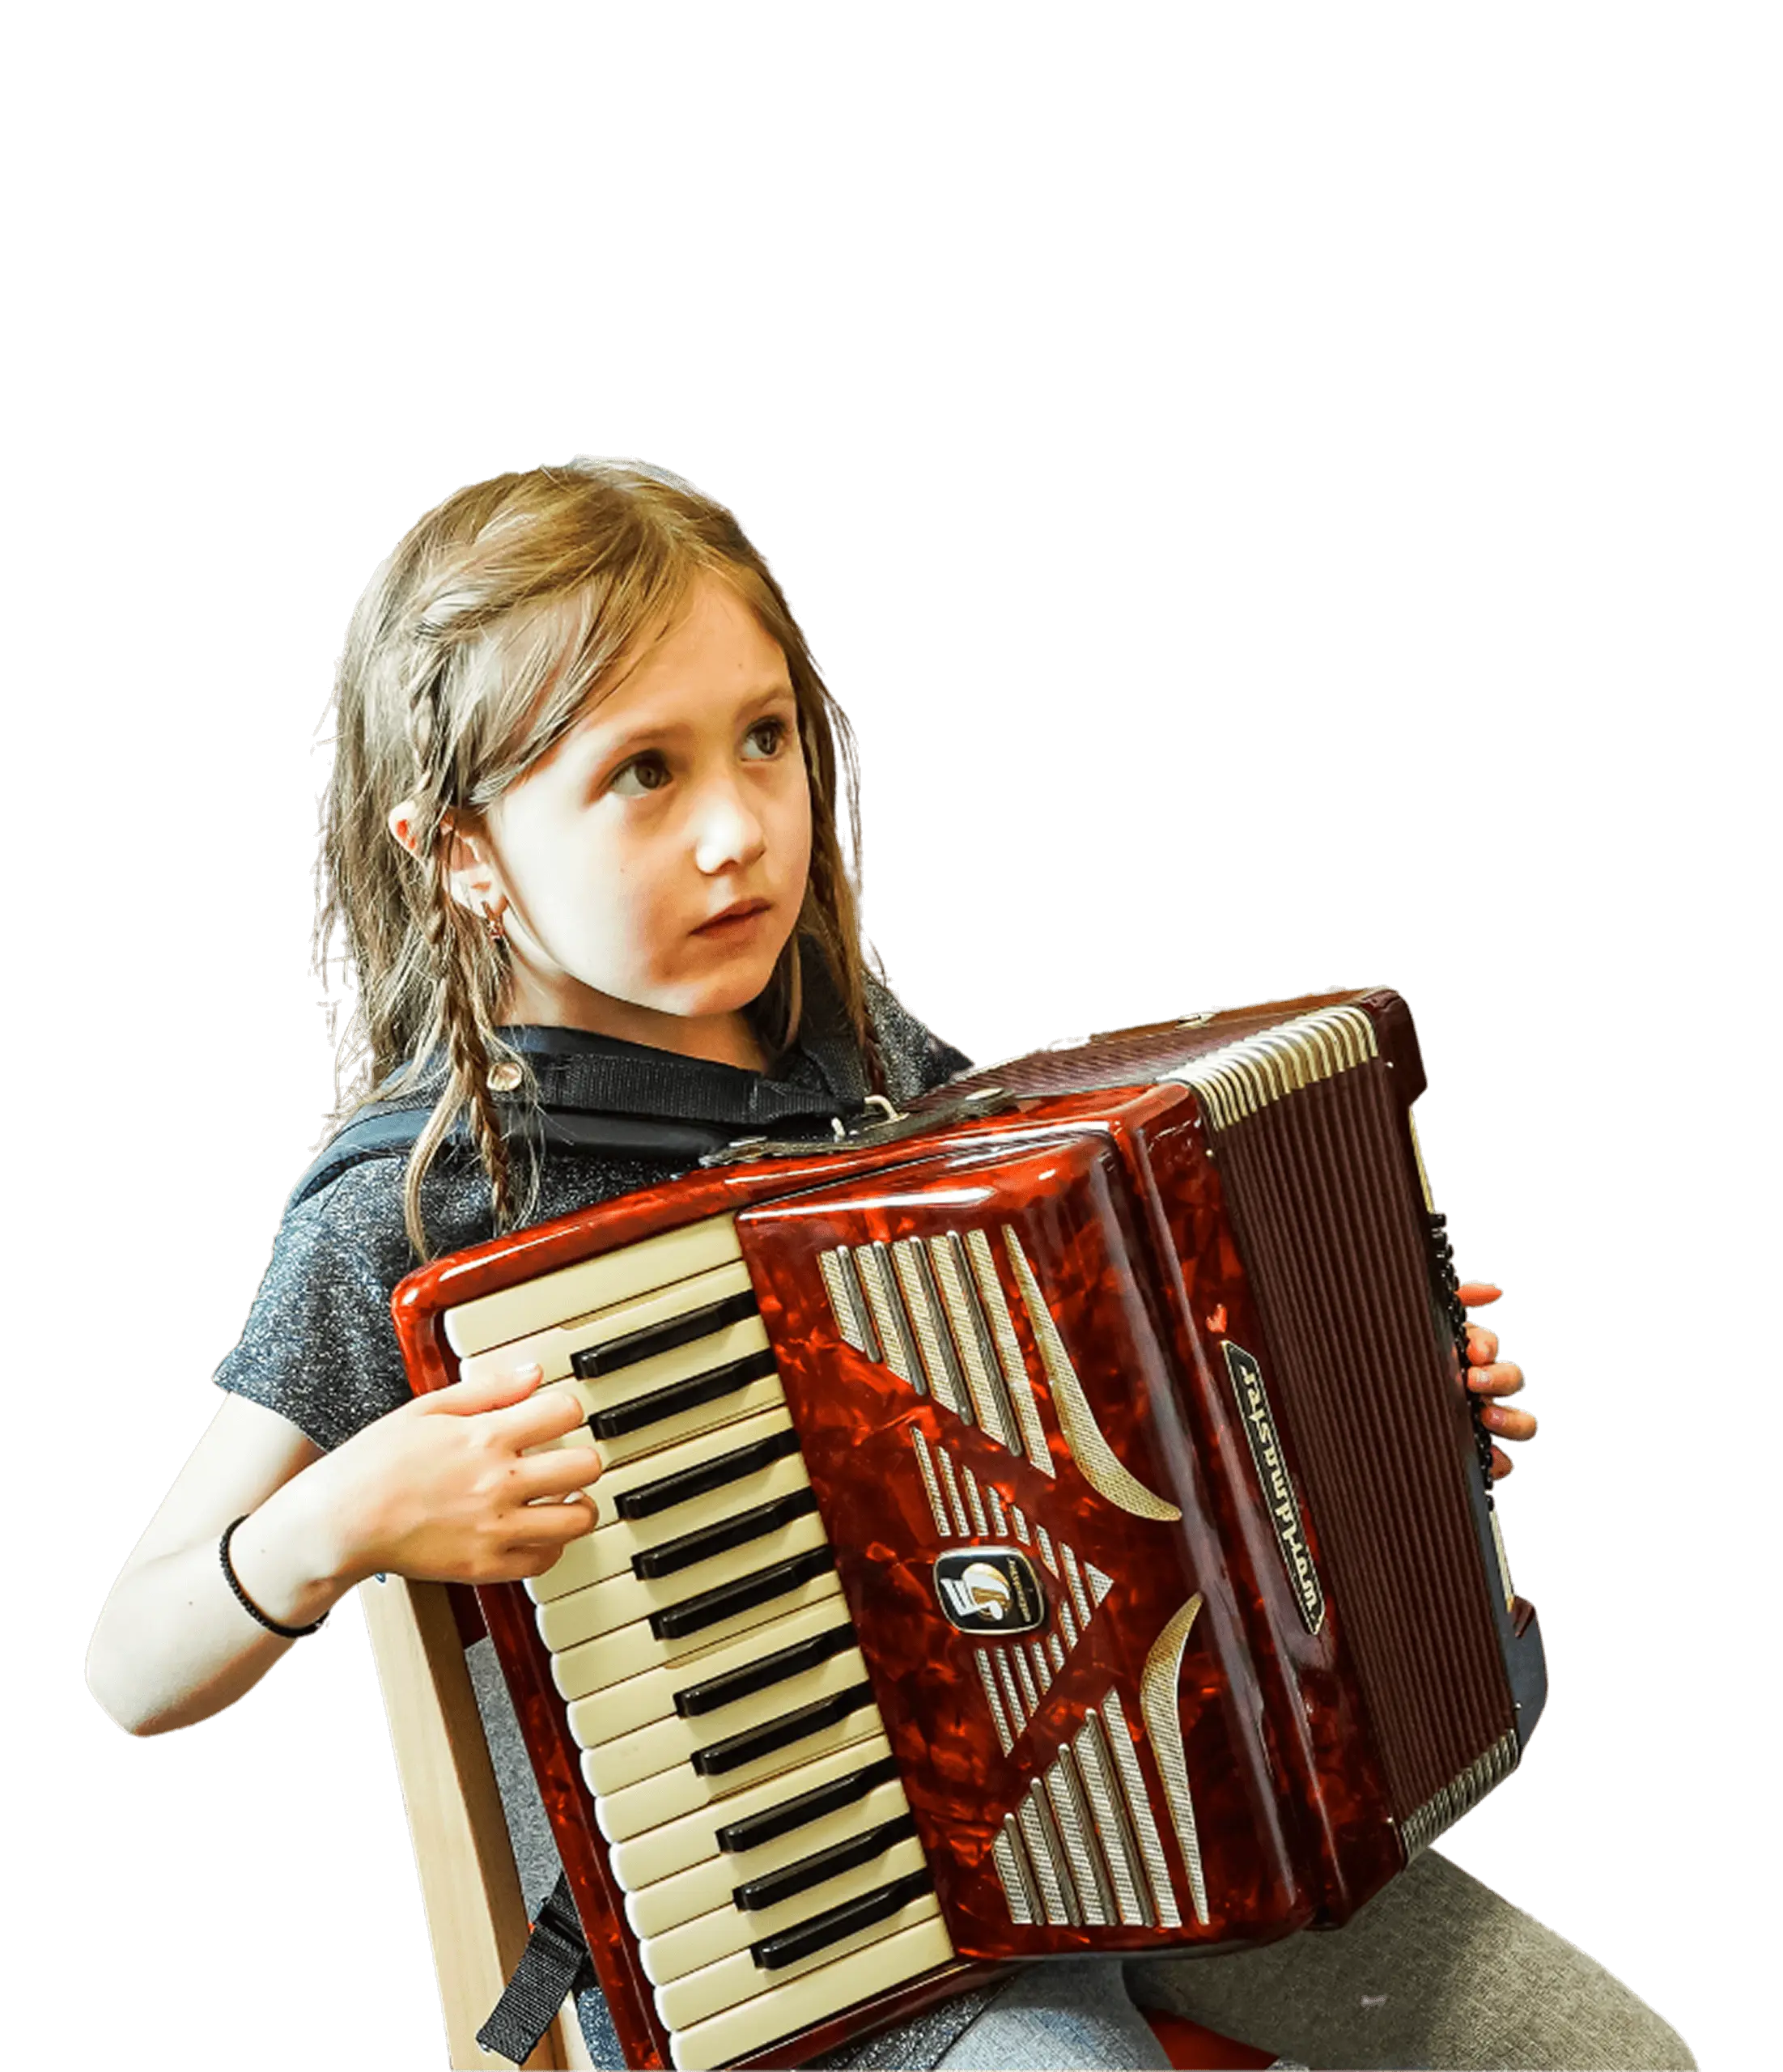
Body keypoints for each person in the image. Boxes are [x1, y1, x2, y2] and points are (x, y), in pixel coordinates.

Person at [84, 456, 1695, 2072]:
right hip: (811, 1938)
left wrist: (1381, 1422)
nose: (739, 829)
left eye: (764, 737)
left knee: (1611, 2055)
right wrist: (340, 1519)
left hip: (1136, 1820)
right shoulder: (408, 1207)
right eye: (645, 771)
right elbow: (131, 1662)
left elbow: (1106, 1412)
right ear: (459, 852)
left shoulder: (859, 1051)